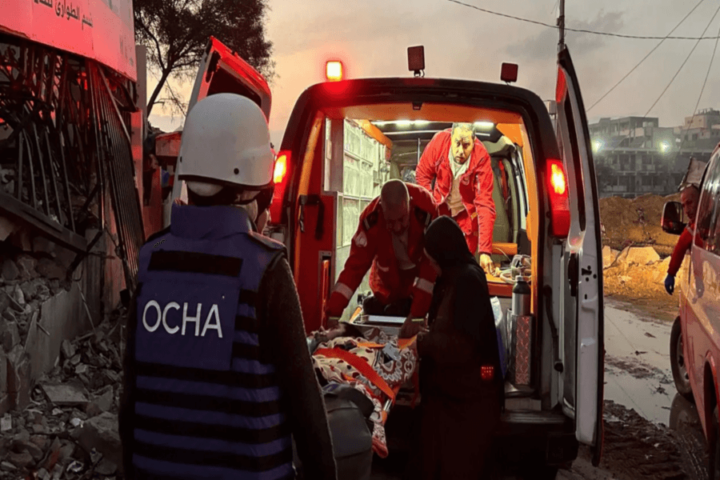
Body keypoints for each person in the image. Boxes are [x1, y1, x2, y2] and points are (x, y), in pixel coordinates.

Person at [119, 93, 337, 480]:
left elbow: (131, 399)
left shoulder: (152, 261)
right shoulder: (264, 269)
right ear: (251, 184)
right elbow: (306, 407)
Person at [401, 216, 503, 480]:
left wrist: (421, 343)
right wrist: (425, 330)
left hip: (467, 408)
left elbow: (463, 346)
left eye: (434, 261)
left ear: (444, 254)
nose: (432, 268)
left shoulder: (466, 281)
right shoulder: (457, 275)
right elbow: (451, 327)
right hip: (454, 402)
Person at [324, 180, 438, 326]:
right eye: (390, 221)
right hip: (386, 286)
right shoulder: (371, 220)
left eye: (402, 220)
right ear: (381, 209)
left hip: (415, 285)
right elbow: (354, 269)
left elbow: (429, 270)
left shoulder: (426, 209)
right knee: (375, 308)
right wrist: (333, 312)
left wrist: (417, 315)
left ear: (409, 204)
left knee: (402, 309)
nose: (397, 227)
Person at [416, 123, 497, 274]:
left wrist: (485, 251)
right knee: (433, 259)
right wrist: (430, 209)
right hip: (440, 208)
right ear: (451, 138)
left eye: (466, 145)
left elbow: (484, 203)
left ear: (474, 142)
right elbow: (422, 175)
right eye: (457, 144)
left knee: (462, 265)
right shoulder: (439, 143)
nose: (460, 151)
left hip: (466, 216)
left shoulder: (481, 157)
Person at [665, 185, 700, 295]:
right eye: (683, 206)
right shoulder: (693, 226)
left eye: (690, 203)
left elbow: (680, 247)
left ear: (701, 201)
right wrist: (671, 273)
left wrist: (671, 274)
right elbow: (680, 247)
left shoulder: (702, 225)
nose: (686, 211)